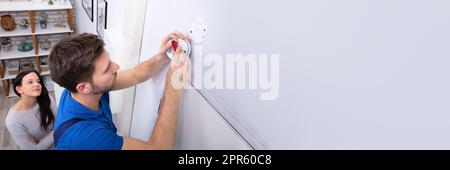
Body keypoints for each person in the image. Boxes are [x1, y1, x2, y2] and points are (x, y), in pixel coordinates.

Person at [48, 32, 190, 150]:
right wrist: (174, 84)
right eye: (107, 68)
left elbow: (136, 74)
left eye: (110, 61)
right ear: (83, 88)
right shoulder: (86, 136)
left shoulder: (85, 89)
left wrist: (162, 56)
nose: (116, 66)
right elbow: (159, 148)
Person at [5, 70, 56, 150]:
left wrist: (58, 130)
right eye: (30, 82)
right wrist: (58, 131)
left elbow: (60, 120)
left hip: (61, 141)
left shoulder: (47, 98)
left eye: (38, 81)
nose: (37, 84)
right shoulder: (13, 121)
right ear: (19, 89)